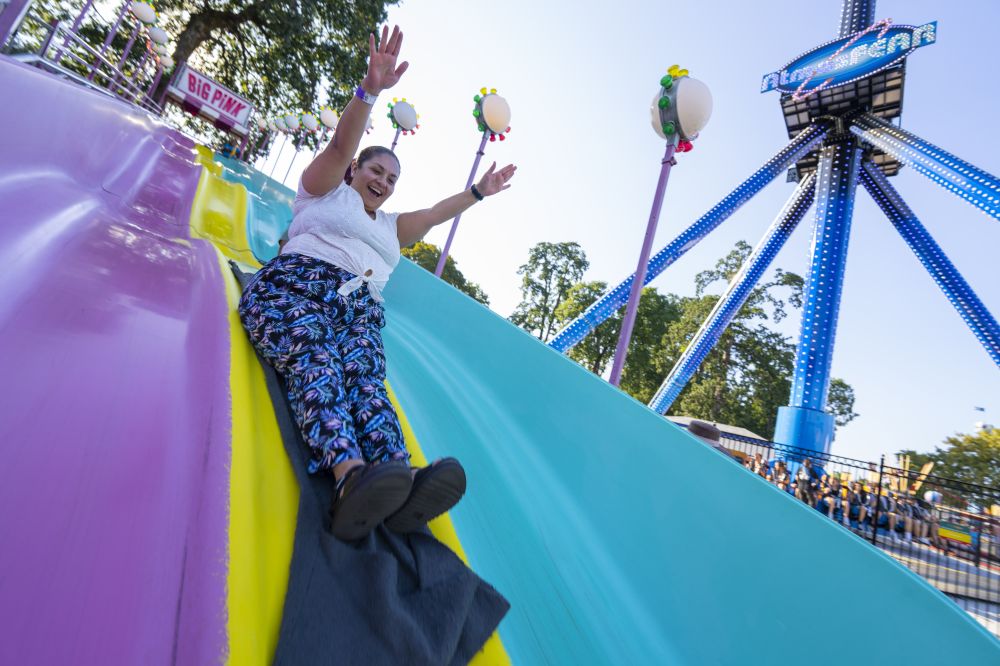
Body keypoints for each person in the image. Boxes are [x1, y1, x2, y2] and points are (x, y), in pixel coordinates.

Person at [238, 25, 517, 541]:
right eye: (376, 171)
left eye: (391, 179)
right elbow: (342, 143)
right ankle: (349, 478)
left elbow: (434, 214)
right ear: (354, 172)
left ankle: (402, 480)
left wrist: (479, 191)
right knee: (316, 359)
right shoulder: (323, 193)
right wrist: (369, 90)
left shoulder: (389, 228)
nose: (383, 182)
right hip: (298, 289)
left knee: (366, 381)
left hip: (359, 310)